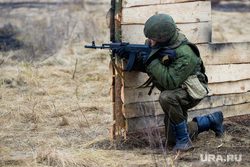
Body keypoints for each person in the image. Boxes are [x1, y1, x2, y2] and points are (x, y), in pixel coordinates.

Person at [117, 14, 224, 151]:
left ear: (163, 37)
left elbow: (170, 82)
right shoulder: (154, 43)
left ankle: (184, 140)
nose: (148, 40)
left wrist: (151, 61)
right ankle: (211, 120)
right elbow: (148, 65)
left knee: (167, 97)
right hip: (175, 88)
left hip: (191, 90)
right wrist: (128, 55)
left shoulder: (185, 53)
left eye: (152, 38)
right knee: (171, 139)